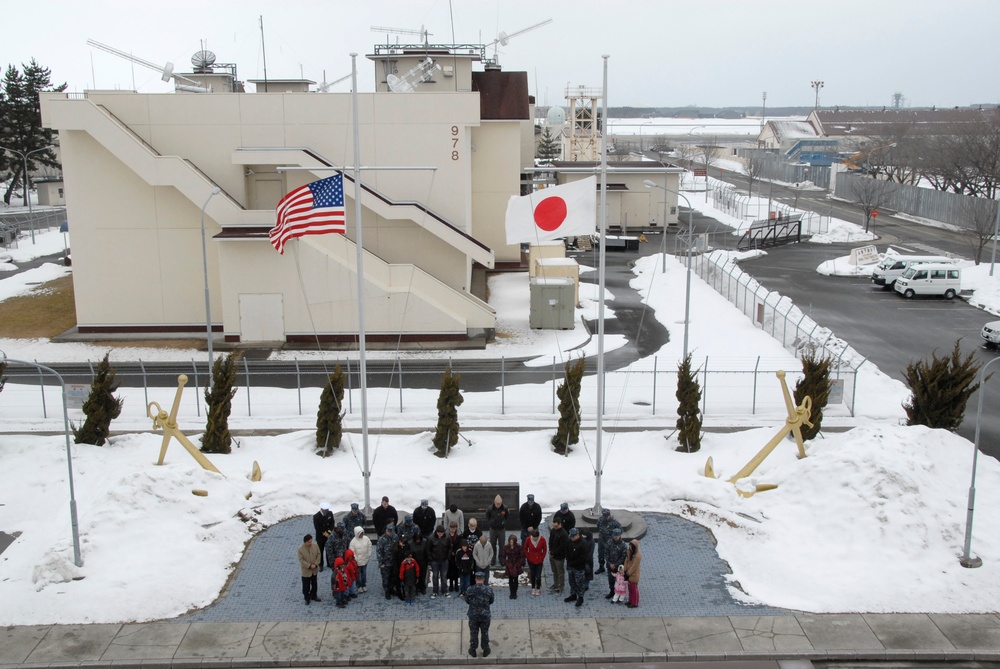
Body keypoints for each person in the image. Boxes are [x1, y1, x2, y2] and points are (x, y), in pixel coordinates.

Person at [465, 571, 495, 658]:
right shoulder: (488, 590)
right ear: (483, 579)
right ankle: (486, 649)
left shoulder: (470, 589)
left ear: (475, 579)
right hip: (485, 615)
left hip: (473, 615)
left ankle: (473, 650)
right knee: (485, 632)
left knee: (474, 632)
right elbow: (491, 601)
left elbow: (467, 601)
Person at [564, 527, 588, 607]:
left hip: (579, 568)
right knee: (572, 581)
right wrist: (568, 560)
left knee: (580, 583)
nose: (571, 538)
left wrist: (573, 563)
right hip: (570, 566)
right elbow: (566, 550)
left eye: (573, 536)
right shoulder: (569, 541)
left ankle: (580, 597)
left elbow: (583, 557)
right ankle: (573, 594)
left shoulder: (583, 543)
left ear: (577, 535)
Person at [595, 508, 622, 575]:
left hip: (610, 542)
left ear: (609, 516)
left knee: (610, 555)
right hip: (601, 540)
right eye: (604, 516)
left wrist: (614, 535)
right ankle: (601, 567)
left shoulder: (614, 522)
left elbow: (620, 529)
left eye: (606, 517)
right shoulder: (600, 519)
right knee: (600, 554)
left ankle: (611, 568)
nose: (604, 518)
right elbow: (598, 526)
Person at [604, 528, 628, 601]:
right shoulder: (609, 542)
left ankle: (618, 594)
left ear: (620, 535)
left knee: (619, 581)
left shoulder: (623, 545)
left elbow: (623, 557)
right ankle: (612, 592)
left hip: (618, 568)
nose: (615, 538)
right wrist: (609, 563)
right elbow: (606, 553)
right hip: (610, 566)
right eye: (614, 536)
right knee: (610, 579)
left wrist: (616, 565)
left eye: (616, 536)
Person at [297, 534, 321, 605]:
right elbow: (301, 559)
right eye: (309, 542)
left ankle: (314, 595)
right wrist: (309, 565)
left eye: (311, 541)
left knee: (314, 584)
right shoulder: (300, 549)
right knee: (306, 585)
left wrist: (316, 564)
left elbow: (318, 555)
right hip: (306, 571)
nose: (310, 543)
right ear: (305, 542)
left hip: (314, 570)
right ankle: (307, 598)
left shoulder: (315, 546)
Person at [428, 524, 451, 599]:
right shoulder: (431, 538)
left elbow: (450, 547)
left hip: (444, 560)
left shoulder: (447, 537)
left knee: (444, 577)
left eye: (442, 532)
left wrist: (447, 557)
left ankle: (444, 590)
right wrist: (431, 559)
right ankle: (435, 591)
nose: (440, 534)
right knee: (435, 576)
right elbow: (428, 550)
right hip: (435, 561)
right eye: (439, 532)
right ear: (436, 532)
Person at [484, 495, 508, 565]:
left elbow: (506, 516)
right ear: (494, 503)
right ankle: (493, 559)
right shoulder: (490, 509)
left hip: (501, 529)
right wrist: (491, 523)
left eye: (499, 504)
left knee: (502, 545)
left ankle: (501, 559)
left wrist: (503, 523)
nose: (498, 505)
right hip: (493, 529)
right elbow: (487, 516)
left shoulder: (505, 508)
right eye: (497, 504)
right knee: (492, 544)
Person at [500, 533, 525, 599]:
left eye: (512, 542)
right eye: (510, 542)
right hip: (510, 565)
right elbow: (503, 556)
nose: (511, 543)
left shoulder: (519, 547)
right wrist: (506, 563)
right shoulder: (506, 547)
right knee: (510, 579)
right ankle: (511, 593)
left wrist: (519, 563)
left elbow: (522, 556)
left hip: (517, 564)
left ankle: (515, 593)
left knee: (516, 579)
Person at [376, 523, 397, 600]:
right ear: (387, 531)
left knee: (393, 576)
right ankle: (387, 591)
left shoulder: (395, 537)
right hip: (385, 562)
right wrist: (381, 563)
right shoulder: (382, 539)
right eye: (390, 532)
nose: (391, 534)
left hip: (393, 561)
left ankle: (392, 589)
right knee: (386, 578)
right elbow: (379, 552)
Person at [524, 527, 547, 596]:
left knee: (538, 576)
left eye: (535, 538)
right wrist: (528, 557)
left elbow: (544, 549)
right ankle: (533, 588)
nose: (534, 539)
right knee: (533, 574)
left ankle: (538, 588)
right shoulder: (528, 539)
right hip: (531, 560)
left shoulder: (542, 540)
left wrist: (542, 557)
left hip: (539, 560)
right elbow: (525, 548)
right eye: (533, 537)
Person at [312, 502, 335, 571]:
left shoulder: (330, 513)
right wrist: (324, 533)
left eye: (327, 510)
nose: (327, 511)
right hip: (320, 537)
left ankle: (329, 563)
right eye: (325, 510)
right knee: (320, 551)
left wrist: (329, 532)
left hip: (328, 535)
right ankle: (321, 564)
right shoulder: (316, 516)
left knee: (328, 550)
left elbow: (332, 523)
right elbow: (317, 527)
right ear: (322, 509)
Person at [548, 517, 568, 594]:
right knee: (554, 571)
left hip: (559, 557)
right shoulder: (553, 531)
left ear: (560, 524)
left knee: (560, 572)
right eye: (554, 526)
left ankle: (560, 586)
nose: (554, 528)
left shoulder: (564, 534)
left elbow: (562, 547)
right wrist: (550, 550)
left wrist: (554, 552)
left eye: (556, 526)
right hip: (552, 554)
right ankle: (555, 584)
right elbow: (550, 541)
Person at [349, 525, 372, 593]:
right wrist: (356, 559)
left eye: (362, 533)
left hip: (365, 560)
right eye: (360, 533)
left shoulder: (366, 538)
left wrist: (368, 555)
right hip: (357, 562)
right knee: (358, 574)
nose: (361, 535)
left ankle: (363, 584)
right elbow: (352, 552)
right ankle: (359, 586)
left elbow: (369, 546)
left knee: (364, 574)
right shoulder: (353, 542)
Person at [410, 530, 429, 595]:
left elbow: (427, 552)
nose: (418, 541)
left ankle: (422, 587)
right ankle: (416, 588)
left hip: (423, 561)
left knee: (423, 575)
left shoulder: (425, 542)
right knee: (414, 576)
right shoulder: (410, 543)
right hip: (414, 562)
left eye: (419, 539)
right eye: (417, 540)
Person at [624, 538, 642, 608]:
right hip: (628, 573)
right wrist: (625, 569)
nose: (630, 547)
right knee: (630, 589)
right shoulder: (629, 552)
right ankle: (630, 600)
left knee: (634, 589)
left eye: (631, 546)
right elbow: (626, 560)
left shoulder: (638, 556)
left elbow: (634, 566)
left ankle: (635, 603)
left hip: (633, 575)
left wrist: (628, 573)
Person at [446, 520, 463, 594]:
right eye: (451, 528)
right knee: (450, 571)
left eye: (454, 528)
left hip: (456, 556)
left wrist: (455, 552)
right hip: (449, 557)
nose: (453, 529)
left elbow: (459, 545)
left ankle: (456, 585)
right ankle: (451, 585)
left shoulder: (458, 536)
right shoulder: (447, 536)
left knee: (456, 572)